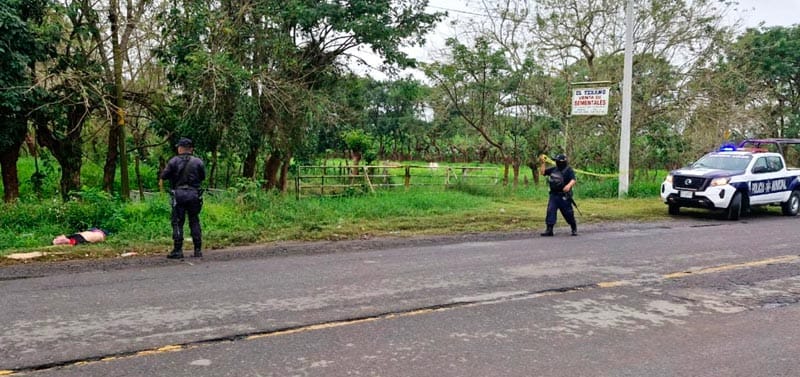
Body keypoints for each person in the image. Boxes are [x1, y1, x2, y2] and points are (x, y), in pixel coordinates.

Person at [160, 137, 206, 259]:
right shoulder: (198, 162)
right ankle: (197, 250)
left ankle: (178, 250)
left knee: (177, 222)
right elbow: (202, 177)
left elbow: (164, 176)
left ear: (180, 148)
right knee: (194, 221)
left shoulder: (173, 161)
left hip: (179, 195)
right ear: (191, 149)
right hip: (194, 195)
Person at [540, 153, 578, 236]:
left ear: (562, 162)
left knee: (568, 213)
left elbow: (573, 179)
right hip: (554, 195)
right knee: (550, 210)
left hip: (564, 196)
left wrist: (568, 186)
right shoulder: (554, 169)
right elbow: (543, 173)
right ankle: (549, 230)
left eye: (557, 161)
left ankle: (573, 227)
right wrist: (543, 163)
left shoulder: (568, 170)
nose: (556, 162)